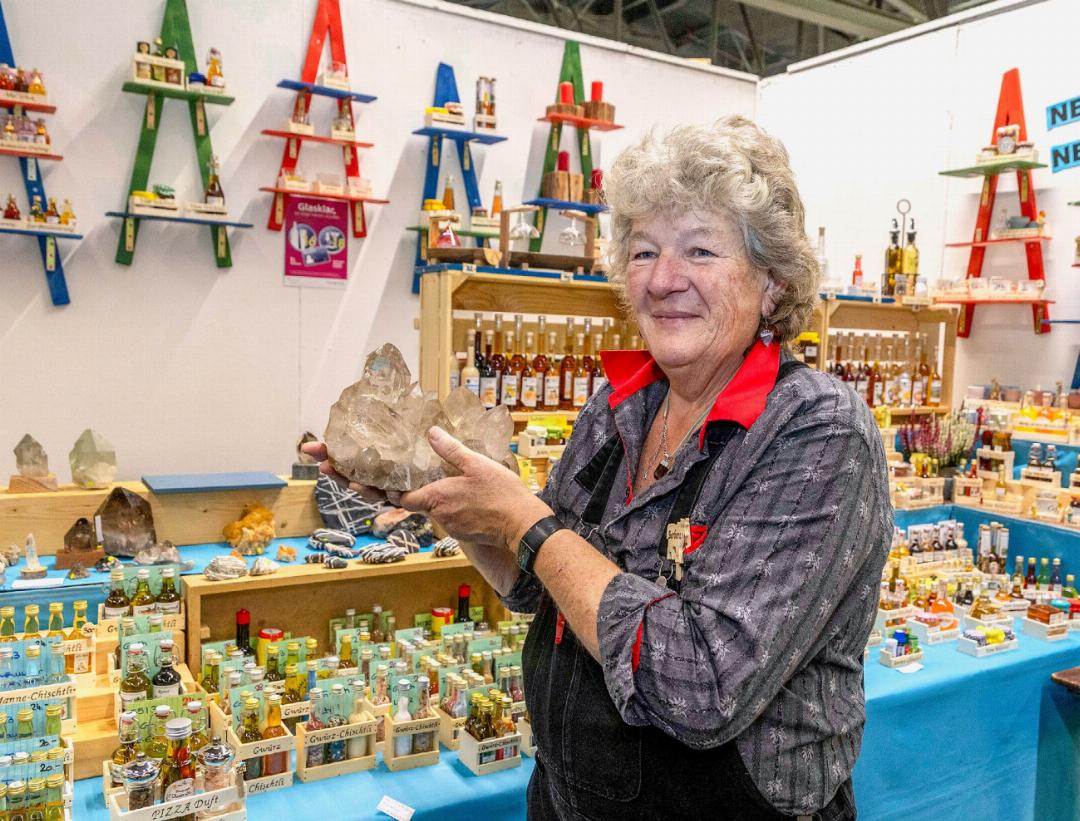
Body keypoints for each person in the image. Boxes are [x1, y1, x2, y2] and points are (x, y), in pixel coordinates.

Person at [305, 116, 891, 820]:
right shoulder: (621, 405)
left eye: (699, 249)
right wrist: (447, 498)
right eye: (644, 251)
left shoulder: (816, 431)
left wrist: (524, 516)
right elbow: (537, 583)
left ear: (772, 280)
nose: (664, 278)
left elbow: (700, 685)